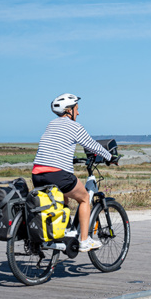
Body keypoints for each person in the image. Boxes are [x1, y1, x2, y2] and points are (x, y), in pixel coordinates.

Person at [32, 93, 116, 252]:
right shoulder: (75, 127)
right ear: (69, 110)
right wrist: (110, 157)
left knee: (62, 196)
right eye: (77, 109)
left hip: (37, 174)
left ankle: (62, 230)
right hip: (57, 174)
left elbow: (54, 147)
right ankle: (84, 241)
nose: (78, 112)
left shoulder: (51, 124)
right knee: (84, 198)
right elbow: (93, 145)